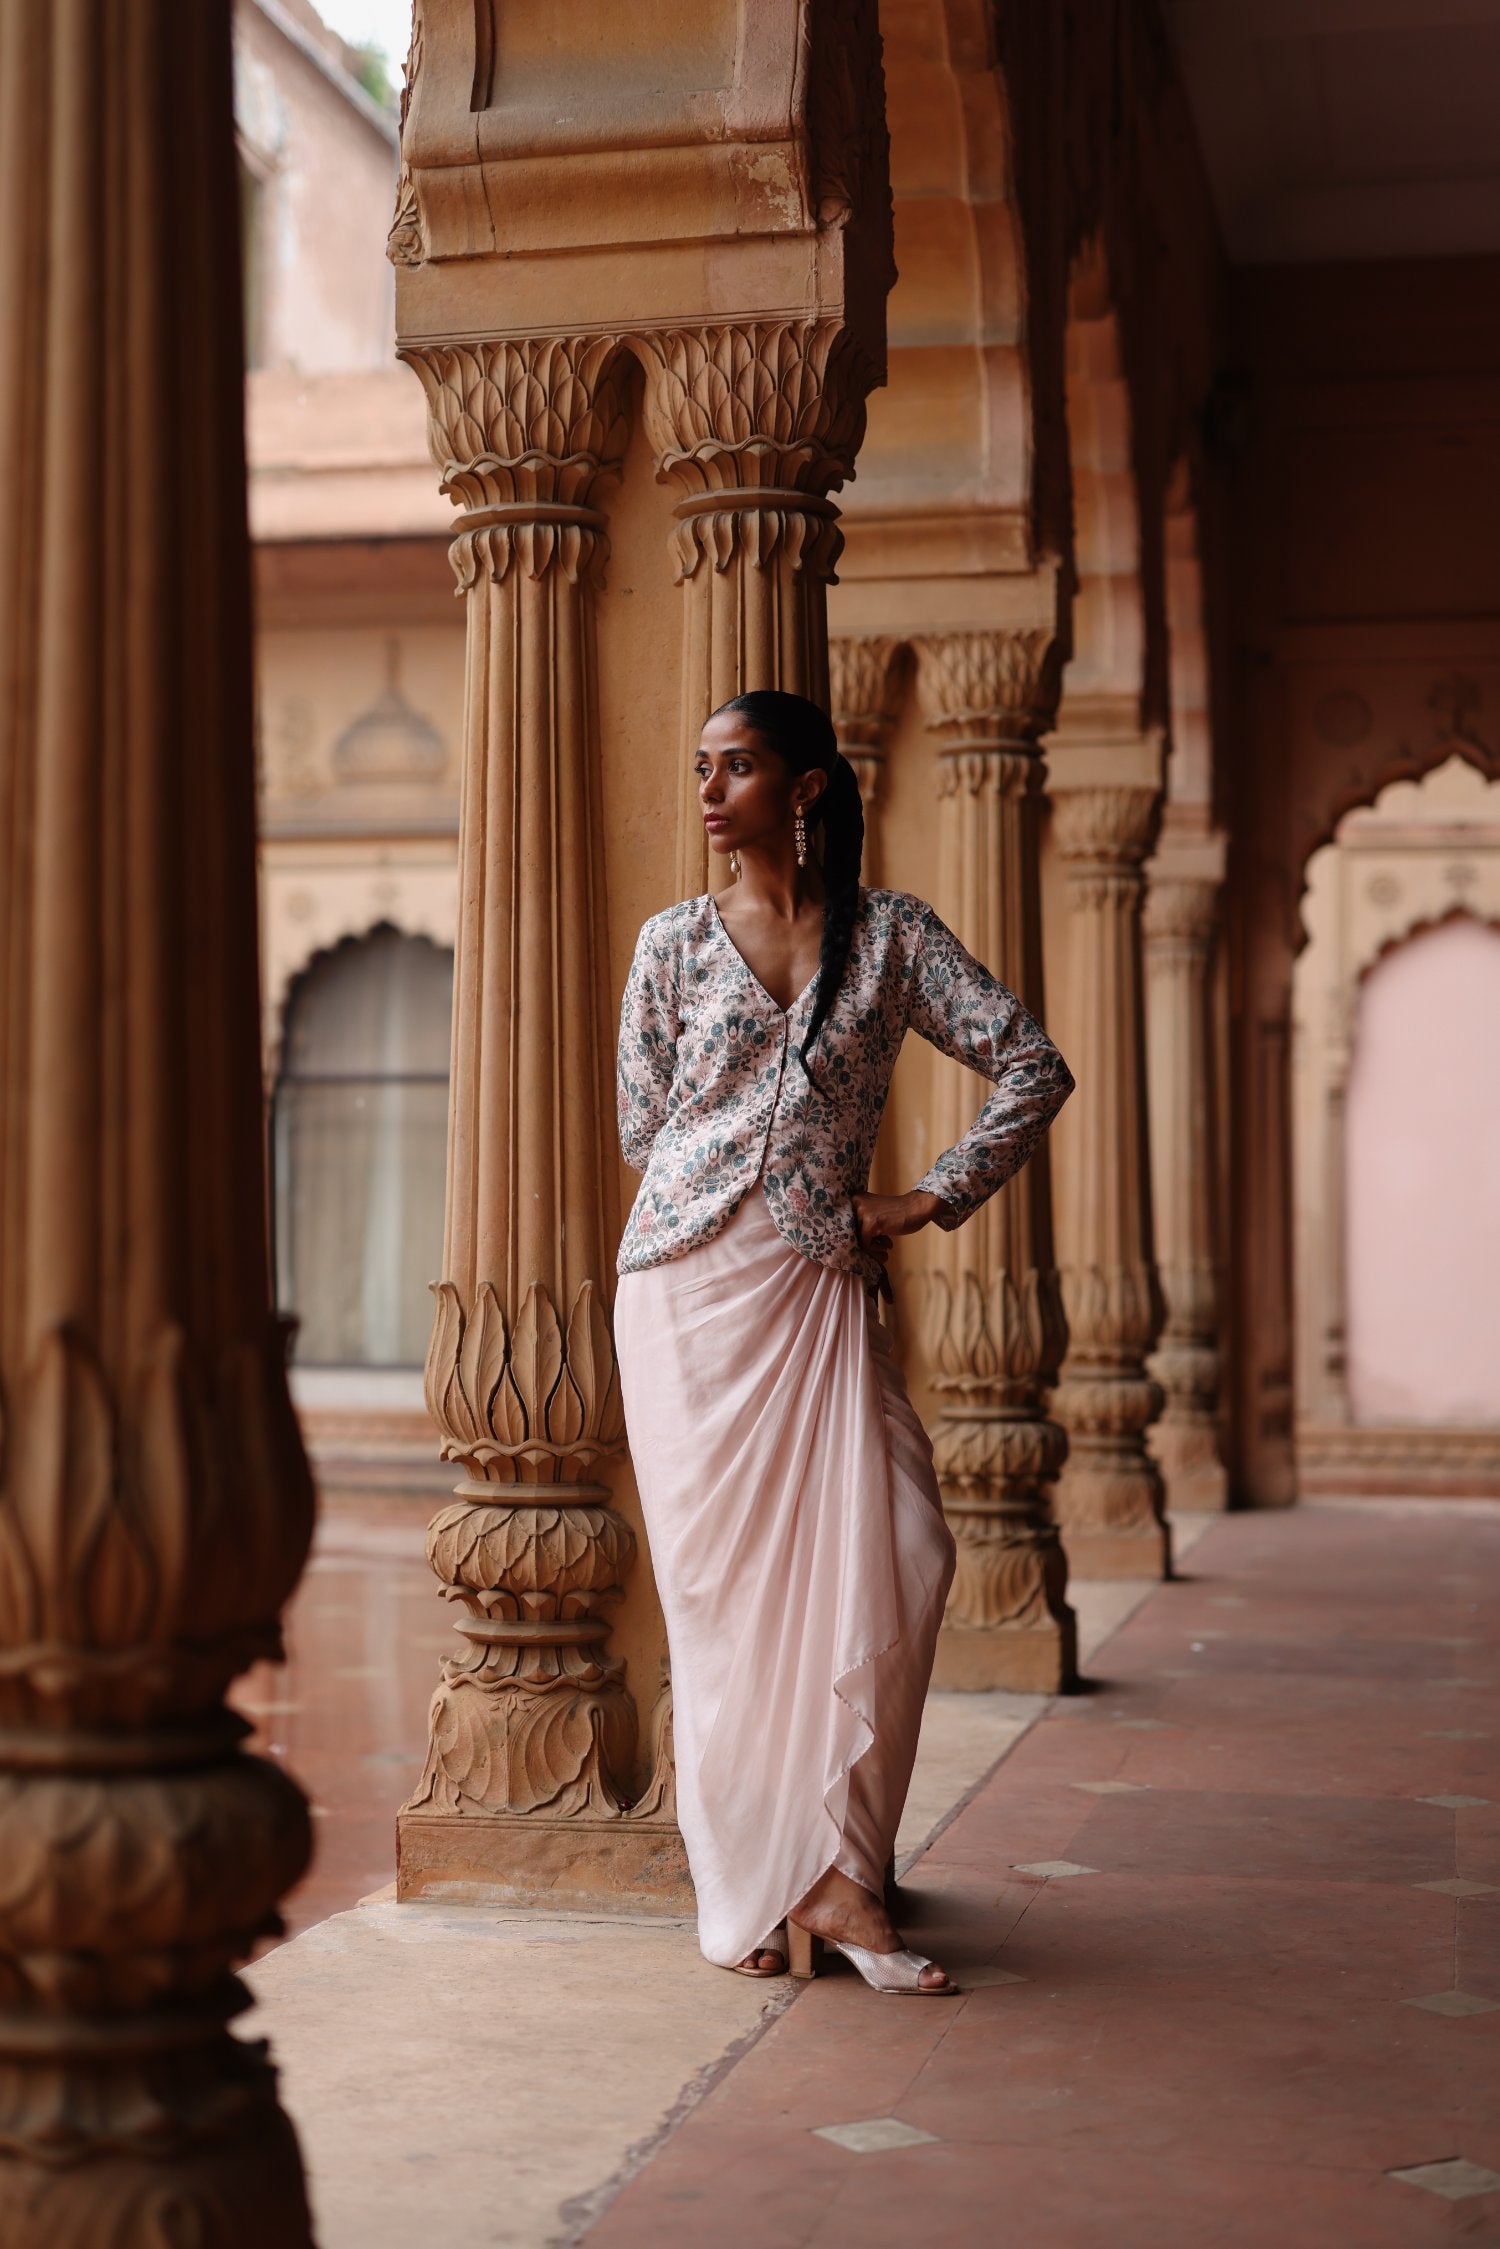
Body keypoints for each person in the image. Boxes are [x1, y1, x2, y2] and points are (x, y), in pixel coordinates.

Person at [613, 688, 1073, 1995]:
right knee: (724, 1609)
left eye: (738, 767)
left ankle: (834, 1867)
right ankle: (778, 1885)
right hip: (691, 1294)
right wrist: (752, 1172)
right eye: (701, 767)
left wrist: (928, 1196)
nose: (710, 791)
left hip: (819, 1288)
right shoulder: (671, 944)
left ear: (805, 787)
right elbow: (645, 1128)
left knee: (907, 1550)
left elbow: (1031, 1065)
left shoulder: (893, 939)